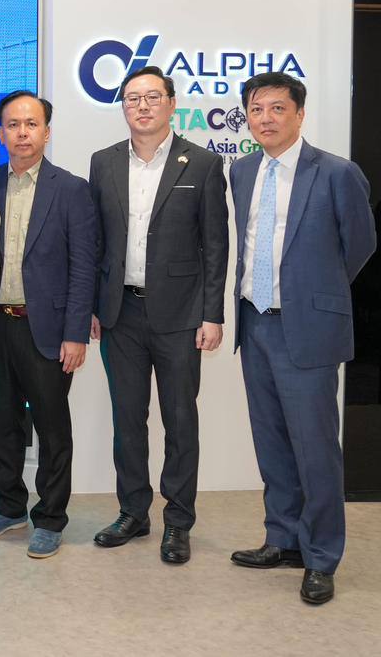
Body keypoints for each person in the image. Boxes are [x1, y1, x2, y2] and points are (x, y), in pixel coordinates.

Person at [227, 73, 375, 605]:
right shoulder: (242, 170)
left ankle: (321, 556)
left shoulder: (336, 172)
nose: (265, 118)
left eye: (276, 108)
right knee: (271, 442)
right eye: (256, 109)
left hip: (307, 328)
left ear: (299, 113)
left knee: (315, 449)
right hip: (255, 323)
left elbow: (359, 245)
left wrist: (315, 294)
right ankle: (283, 539)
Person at [88, 66, 228, 565]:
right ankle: (133, 511)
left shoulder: (203, 163)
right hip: (120, 313)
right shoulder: (103, 162)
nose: (142, 106)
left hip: (181, 315)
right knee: (127, 419)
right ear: (123, 107)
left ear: (171, 103)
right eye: (132, 98)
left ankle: (178, 521)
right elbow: (96, 242)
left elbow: (216, 245)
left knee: (180, 421)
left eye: (152, 97)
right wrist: (93, 307)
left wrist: (212, 314)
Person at [0, 91, 96, 559]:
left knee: (52, 427)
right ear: (1, 133)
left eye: (31, 124)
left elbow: (83, 266)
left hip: (46, 329)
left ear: (46, 132)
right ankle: (9, 506)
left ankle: (50, 517)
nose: (22, 133)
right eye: (13, 124)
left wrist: (75, 333)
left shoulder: (71, 189)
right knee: (1, 423)